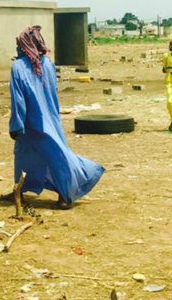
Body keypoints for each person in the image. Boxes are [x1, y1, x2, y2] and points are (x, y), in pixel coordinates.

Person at [8, 26, 104, 209]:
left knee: (57, 156)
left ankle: (66, 192)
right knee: (24, 154)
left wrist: (16, 125)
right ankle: (20, 190)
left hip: (32, 122)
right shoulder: (47, 64)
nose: (18, 48)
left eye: (19, 45)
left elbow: (18, 100)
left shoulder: (18, 67)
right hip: (50, 116)